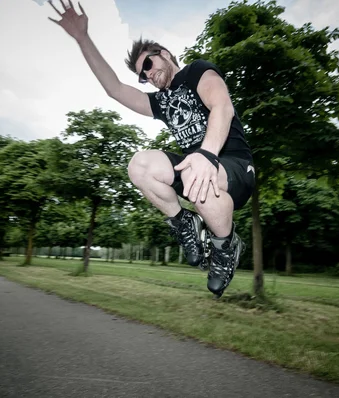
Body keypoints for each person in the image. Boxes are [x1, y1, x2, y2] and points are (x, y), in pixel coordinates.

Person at [48, 0, 255, 297]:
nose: (147, 75)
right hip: (198, 168)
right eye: (141, 75)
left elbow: (222, 105)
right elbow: (115, 89)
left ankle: (226, 247)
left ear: (166, 54)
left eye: (148, 64)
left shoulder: (197, 71)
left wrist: (207, 155)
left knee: (197, 173)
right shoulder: (160, 102)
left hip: (234, 166)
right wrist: (83, 38)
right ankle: (184, 222)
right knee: (139, 165)